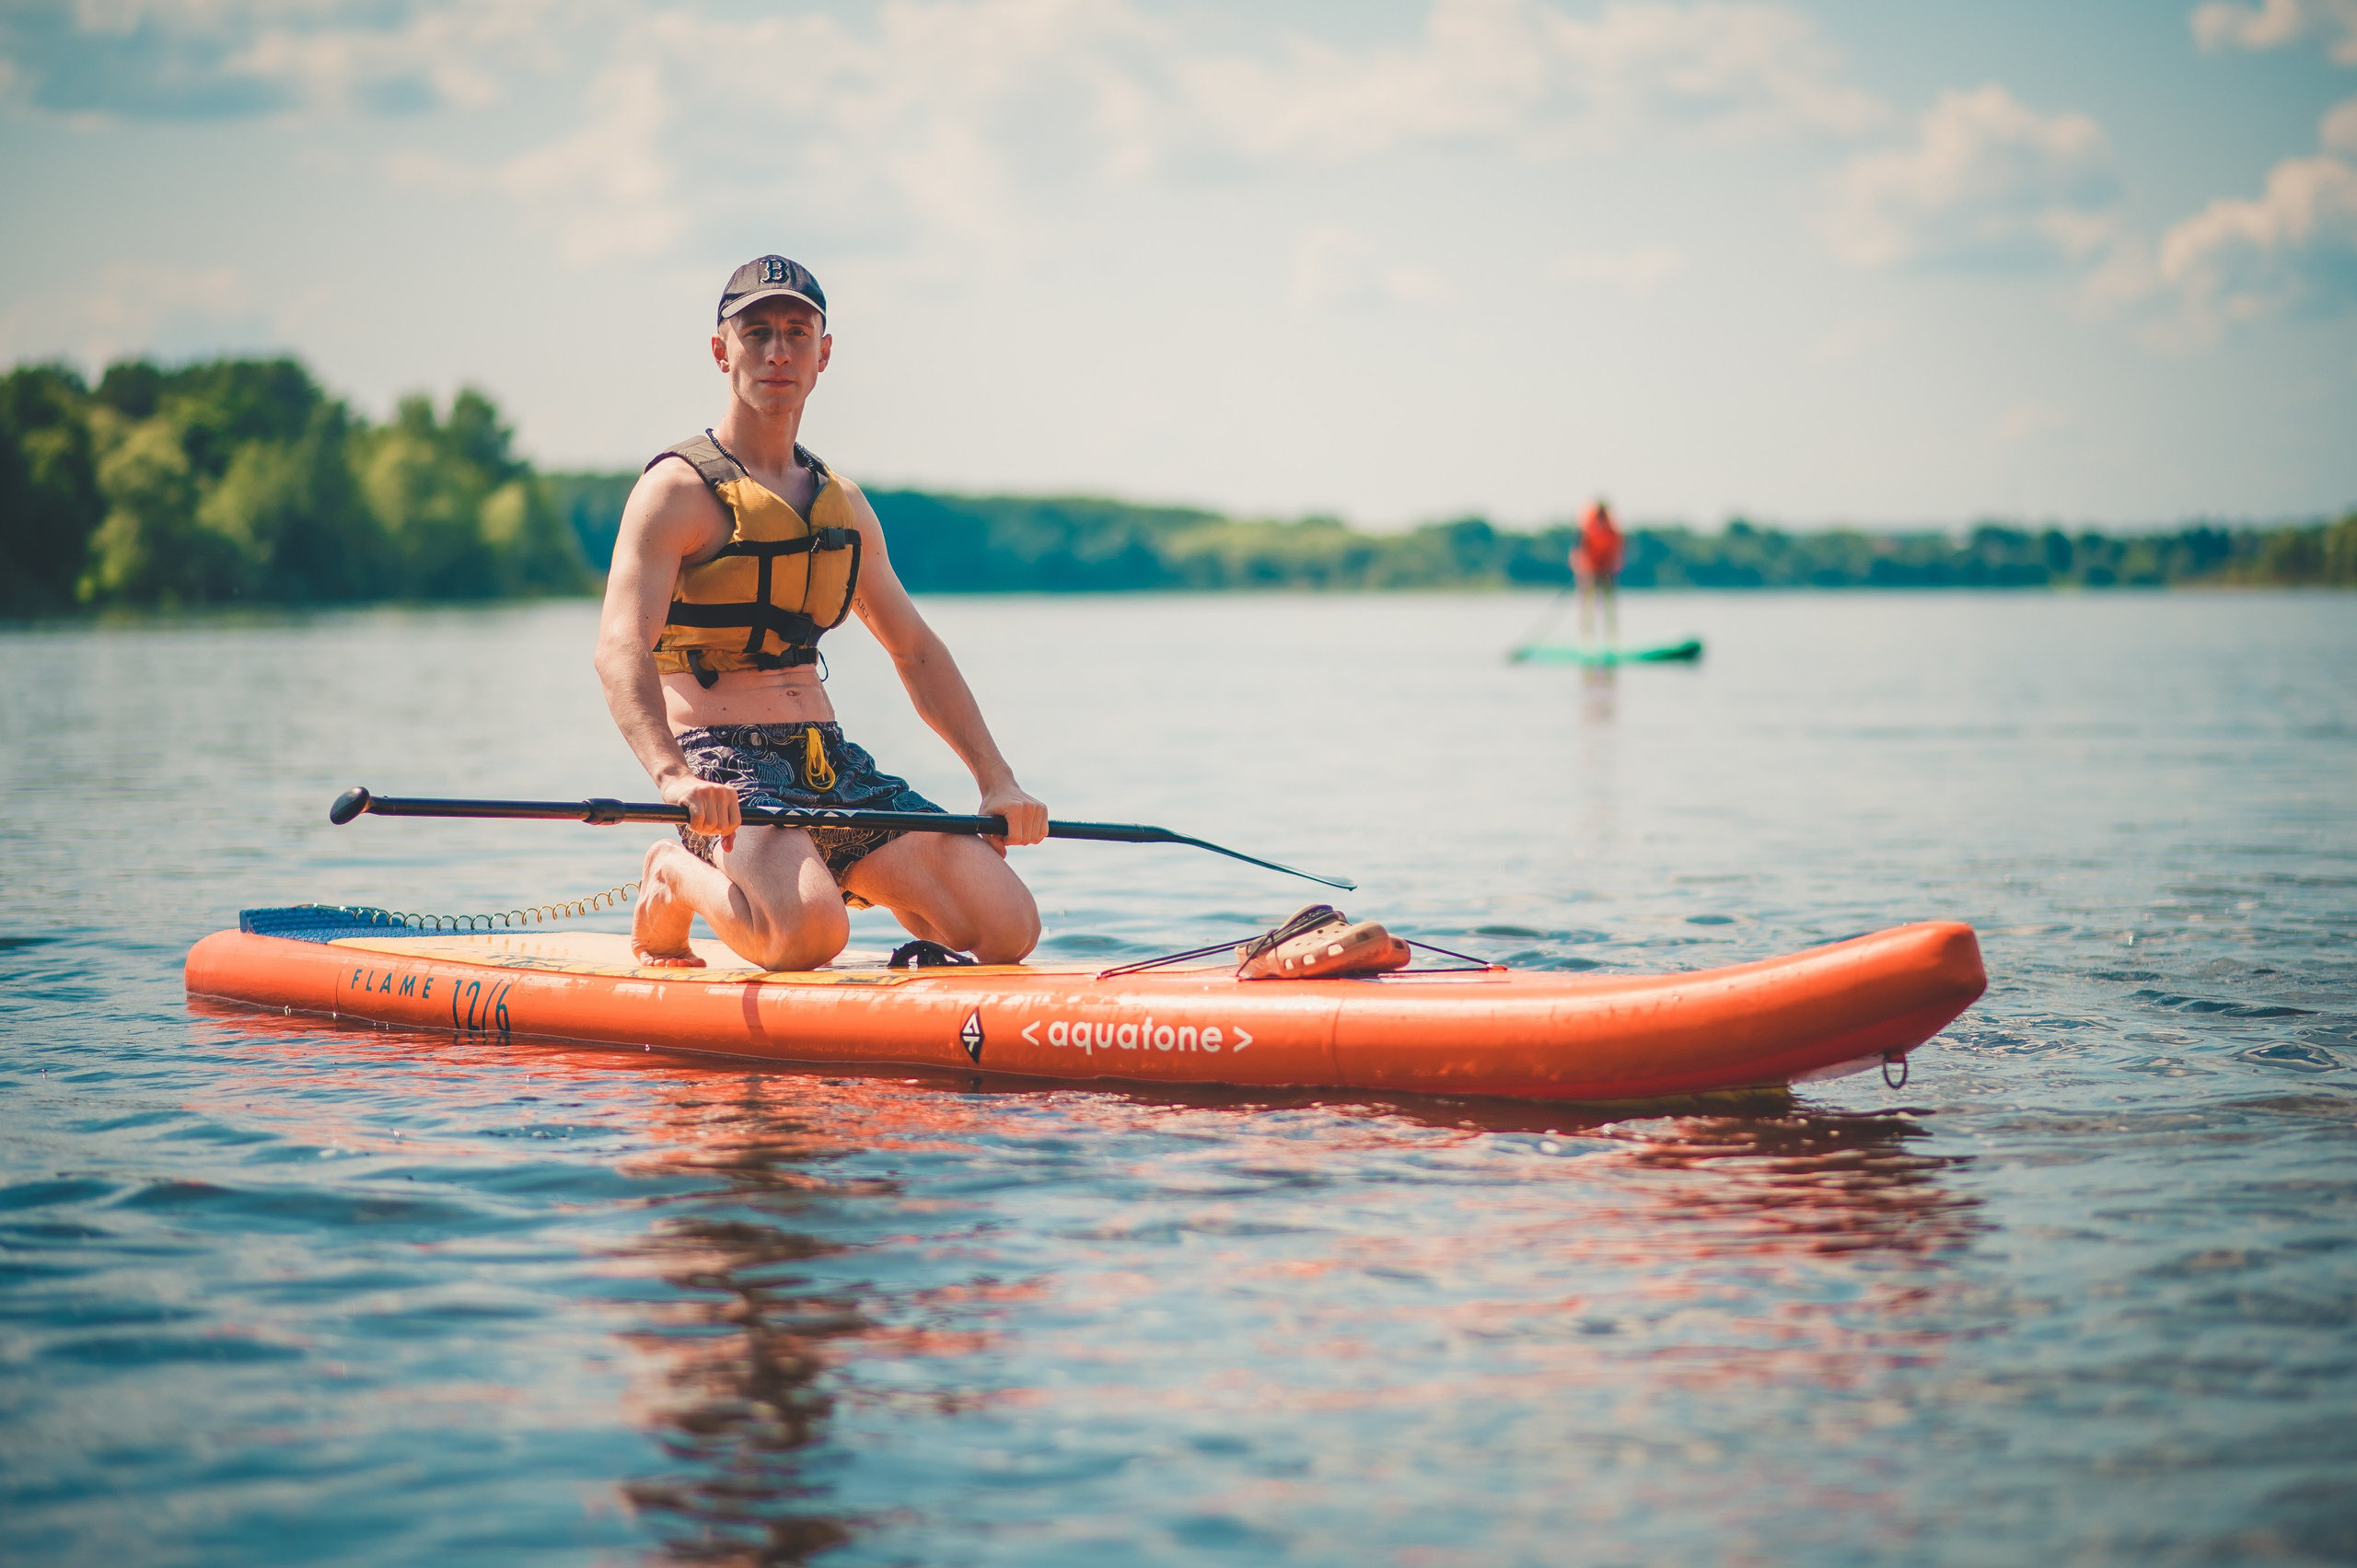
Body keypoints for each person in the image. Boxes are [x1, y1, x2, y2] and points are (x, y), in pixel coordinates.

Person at [595, 255, 1047, 970]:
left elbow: (916, 651)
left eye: (797, 333)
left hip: (826, 762)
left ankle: (861, 905)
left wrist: (996, 777)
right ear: (721, 350)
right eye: (758, 333)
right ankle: (672, 874)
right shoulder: (675, 493)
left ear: (823, 354)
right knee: (809, 937)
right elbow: (620, 648)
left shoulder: (844, 504)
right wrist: (672, 778)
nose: (778, 351)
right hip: (723, 773)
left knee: (1009, 926)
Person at [1572, 496, 1624, 646]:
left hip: (1607, 571)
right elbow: (1579, 550)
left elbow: (1617, 551)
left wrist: (1613, 567)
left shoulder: (1612, 530)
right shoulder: (1587, 529)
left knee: (1609, 602)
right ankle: (1587, 636)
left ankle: (1611, 636)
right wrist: (1583, 569)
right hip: (1590, 571)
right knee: (1587, 602)